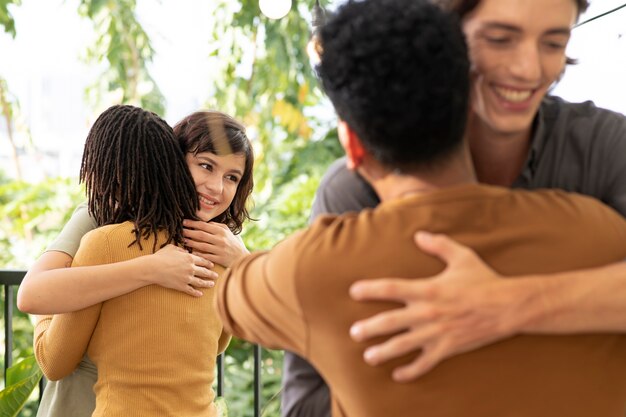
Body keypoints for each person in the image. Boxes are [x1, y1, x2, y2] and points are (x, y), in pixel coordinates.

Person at [216, 0, 626, 416]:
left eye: (555, 42)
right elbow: (307, 397)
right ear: (451, 46)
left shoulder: (605, 151)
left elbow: (236, 298)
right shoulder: (596, 225)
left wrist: (514, 303)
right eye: (499, 39)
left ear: (353, 144)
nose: (527, 69)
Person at [32, 106, 254, 417]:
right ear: (172, 162)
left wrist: (49, 311)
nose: (216, 187)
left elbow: (52, 357)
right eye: (206, 166)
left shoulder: (106, 242)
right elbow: (216, 345)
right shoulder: (217, 251)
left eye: (231, 177)